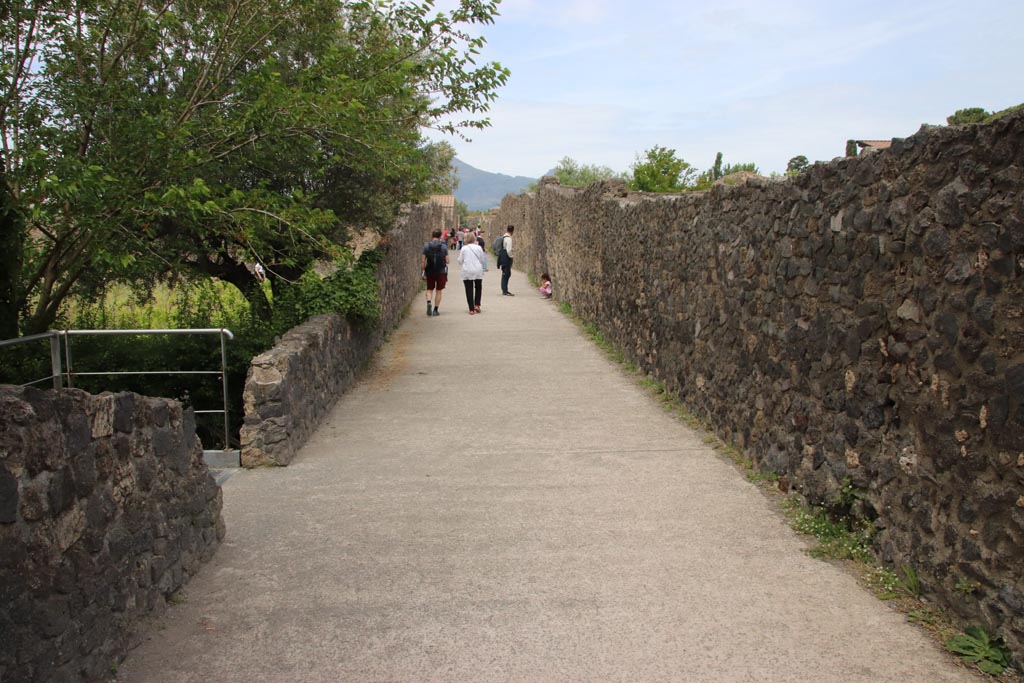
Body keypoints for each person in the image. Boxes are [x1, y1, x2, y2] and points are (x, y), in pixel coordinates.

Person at [421, 229, 448, 316]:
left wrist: (423, 272)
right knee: (439, 290)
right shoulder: (443, 247)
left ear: (432, 236)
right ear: (440, 236)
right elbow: (447, 261)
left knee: (429, 289)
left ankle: (429, 302)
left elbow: (423, 261)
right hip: (441, 271)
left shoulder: (426, 246)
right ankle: (435, 310)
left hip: (430, 271)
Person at [458, 232, 486, 315]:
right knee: (478, 287)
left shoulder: (464, 248)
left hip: (467, 270)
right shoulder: (479, 248)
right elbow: (482, 260)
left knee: (469, 289)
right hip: (477, 270)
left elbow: (460, 261)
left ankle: (471, 309)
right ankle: (477, 305)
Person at [498, 225, 515, 296]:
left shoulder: (504, 236)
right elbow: (508, 250)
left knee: (505, 273)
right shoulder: (509, 239)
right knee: (506, 273)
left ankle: (504, 289)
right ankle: (505, 290)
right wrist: (511, 256)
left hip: (502, 256)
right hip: (506, 258)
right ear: (512, 231)